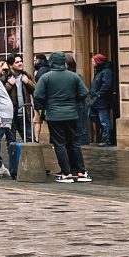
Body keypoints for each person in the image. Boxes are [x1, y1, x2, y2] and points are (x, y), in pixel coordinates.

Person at [34, 53, 91, 183]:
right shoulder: (74, 76)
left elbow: (38, 95)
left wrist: (45, 105)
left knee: (60, 144)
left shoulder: (46, 77)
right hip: (72, 114)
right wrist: (73, 101)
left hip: (54, 115)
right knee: (74, 143)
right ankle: (81, 172)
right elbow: (84, 93)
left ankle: (67, 173)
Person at [88, 53, 116, 146]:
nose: (92, 63)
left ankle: (106, 138)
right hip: (95, 100)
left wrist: (99, 94)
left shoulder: (106, 71)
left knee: (104, 119)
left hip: (102, 100)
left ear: (98, 61)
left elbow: (107, 85)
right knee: (92, 115)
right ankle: (105, 132)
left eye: (93, 61)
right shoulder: (99, 71)